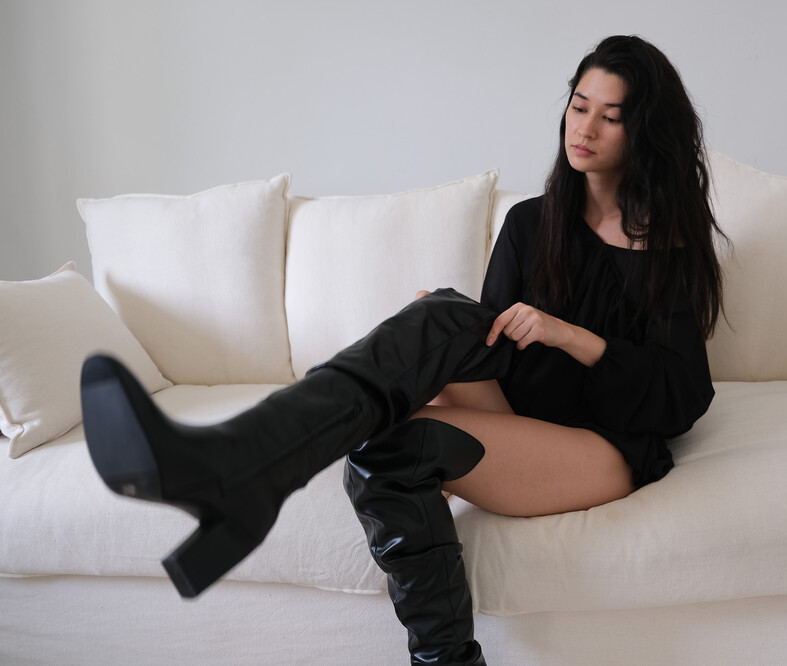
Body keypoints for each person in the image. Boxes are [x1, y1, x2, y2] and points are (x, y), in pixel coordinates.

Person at [79, 35, 725, 666]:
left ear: (643, 133)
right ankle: (246, 461)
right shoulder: (533, 222)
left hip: (603, 446)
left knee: (388, 449)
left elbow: (682, 397)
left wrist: (569, 335)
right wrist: (434, 349)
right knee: (440, 315)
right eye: (579, 106)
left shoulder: (669, 245)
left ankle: (243, 475)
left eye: (610, 116)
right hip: (523, 415)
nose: (584, 127)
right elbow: (497, 350)